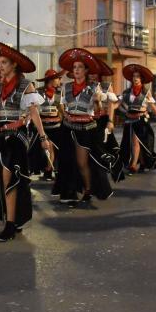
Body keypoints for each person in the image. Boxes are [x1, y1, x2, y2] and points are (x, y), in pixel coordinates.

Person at [0, 41, 48, 241]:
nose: (0, 66)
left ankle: (9, 224)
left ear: (14, 65)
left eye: (5, 62)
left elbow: (34, 114)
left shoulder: (26, 85)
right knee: (1, 179)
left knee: (9, 176)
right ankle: (12, 219)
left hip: (17, 137)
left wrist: (43, 137)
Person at [53, 48, 115, 207]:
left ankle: (87, 189)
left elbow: (99, 111)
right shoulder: (66, 87)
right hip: (67, 128)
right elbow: (61, 106)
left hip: (85, 129)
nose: (76, 70)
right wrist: (64, 115)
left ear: (86, 70)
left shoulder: (94, 88)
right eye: (74, 67)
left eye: (80, 67)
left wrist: (96, 101)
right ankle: (69, 193)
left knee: (82, 163)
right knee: (67, 162)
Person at [118, 64, 156, 174]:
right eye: (134, 76)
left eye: (138, 76)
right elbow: (119, 104)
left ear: (142, 79)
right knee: (134, 143)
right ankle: (142, 163)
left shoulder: (146, 93)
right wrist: (118, 110)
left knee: (136, 141)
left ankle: (133, 165)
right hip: (129, 121)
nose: (135, 78)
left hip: (141, 121)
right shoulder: (126, 93)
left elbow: (153, 106)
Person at [28, 68, 64, 182]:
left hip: (56, 126)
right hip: (42, 126)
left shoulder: (59, 93)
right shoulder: (38, 92)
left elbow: (61, 109)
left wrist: (64, 119)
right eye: (58, 78)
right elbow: (34, 109)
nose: (59, 81)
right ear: (51, 80)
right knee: (45, 148)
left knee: (57, 149)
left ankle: (52, 170)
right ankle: (46, 170)